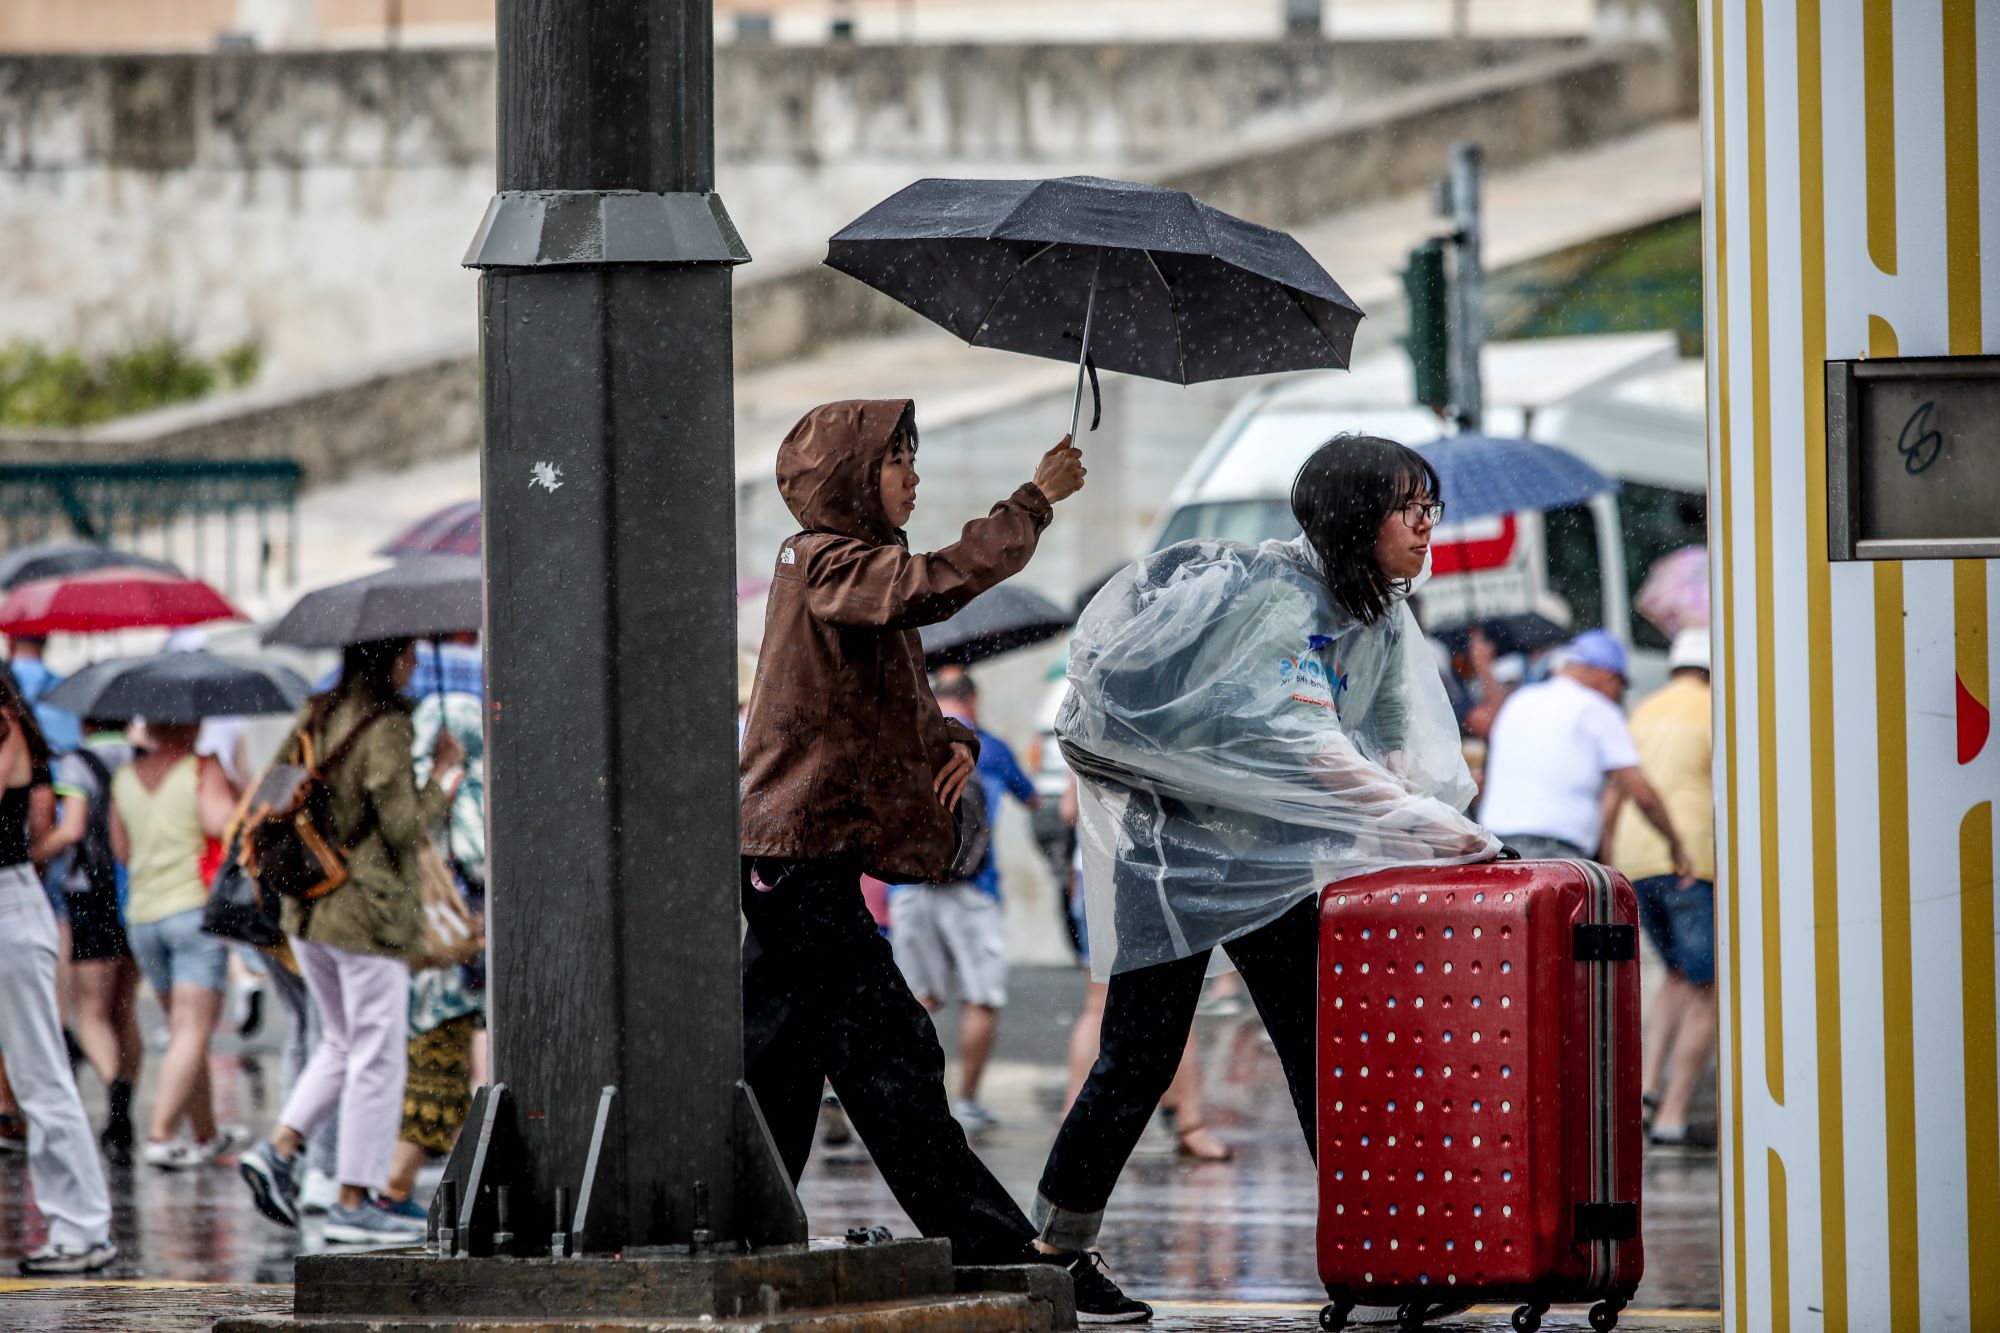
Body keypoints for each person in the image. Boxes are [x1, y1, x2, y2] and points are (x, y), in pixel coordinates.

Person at [1037, 435, 1499, 1305]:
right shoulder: (1281, 604)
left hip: (1276, 868)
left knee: (1327, 1056)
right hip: (1176, 861)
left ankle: (1383, 1250)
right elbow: (1307, 746)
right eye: (1412, 507)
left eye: (1430, 507)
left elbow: (1386, 744)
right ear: (1359, 518)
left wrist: (1423, 818)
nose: (1427, 525)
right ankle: (1057, 1247)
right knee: (1140, 1058)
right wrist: (1423, 823)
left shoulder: (1380, 610)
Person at [736, 399, 1147, 1321]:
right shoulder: (827, 562)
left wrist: (949, 736)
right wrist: (1034, 499)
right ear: (852, 478)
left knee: (781, 1059)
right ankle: (1002, 1253)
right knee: (890, 1054)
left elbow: (875, 700)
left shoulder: (843, 575)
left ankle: (742, 1227)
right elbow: (933, 581)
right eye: (898, 461)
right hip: (792, 856)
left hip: (794, 854)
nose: (913, 478)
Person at [238, 637, 463, 1246]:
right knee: (377, 1056)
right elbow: (403, 825)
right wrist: (444, 777)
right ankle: (355, 1200)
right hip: (366, 914)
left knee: (340, 1044)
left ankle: (279, 1150)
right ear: (387, 659)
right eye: (408, 654)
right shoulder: (385, 725)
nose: (415, 663)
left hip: (307, 906)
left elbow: (276, 793)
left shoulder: (317, 711)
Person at [0, 669, 117, 1273]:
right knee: (35, 1077)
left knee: (41, 1075)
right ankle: (77, 1226)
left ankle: (83, 1227)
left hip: (10, 905)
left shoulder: (7, 734)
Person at [888, 668, 1037, 1130]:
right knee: (980, 998)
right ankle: (967, 1102)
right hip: (974, 889)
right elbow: (1031, 800)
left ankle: (893, 1096)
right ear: (973, 699)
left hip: (908, 885)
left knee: (912, 998)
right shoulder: (987, 747)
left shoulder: (902, 741)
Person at [111, 717, 244, 1168]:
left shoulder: (125, 777)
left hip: (143, 916)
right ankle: (161, 1134)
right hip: (191, 910)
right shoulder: (201, 769)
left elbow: (122, 850)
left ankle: (205, 1133)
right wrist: (238, 793)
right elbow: (220, 822)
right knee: (192, 1030)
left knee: (186, 1030)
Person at [1605, 626, 1718, 1149]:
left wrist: (1608, 855)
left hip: (1635, 857)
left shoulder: (1644, 711)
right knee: (1709, 987)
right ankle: (1672, 1116)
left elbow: (1616, 789)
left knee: (1675, 974)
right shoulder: (1720, 708)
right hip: (1689, 858)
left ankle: (1646, 1088)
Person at [1477, 628, 1691, 873]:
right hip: (1556, 852)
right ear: (1609, 677)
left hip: (1497, 849)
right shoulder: (1597, 708)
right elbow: (1641, 793)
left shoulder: (1519, 700)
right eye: (1619, 686)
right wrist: (1675, 844)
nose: (1616, 695)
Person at [41, 716, 142, 1163]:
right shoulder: (143, 760)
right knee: (126, 1010)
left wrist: (33, 853)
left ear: (83, 719)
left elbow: (73, 829)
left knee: (92, 1012)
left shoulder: (77, 764)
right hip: (135, 892)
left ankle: (113, 1089)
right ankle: (129, 1105)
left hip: (90, 894)